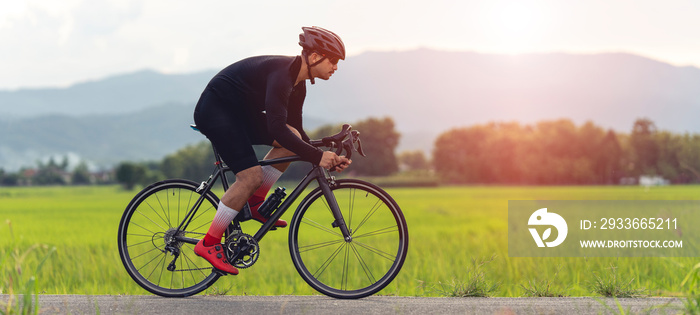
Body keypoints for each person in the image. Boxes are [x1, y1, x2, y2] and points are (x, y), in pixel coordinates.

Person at [192, 26, 352, 275]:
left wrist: (324, 152)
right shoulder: (281, 76)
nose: (335, 67)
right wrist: (318, 157)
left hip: (239, 114)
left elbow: (295, 131)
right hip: (216, 112)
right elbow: (277, 128)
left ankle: (255, 204)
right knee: (251, 176)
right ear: (313, 57)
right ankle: (209, 243)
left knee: (293, 139)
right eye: (332, 60)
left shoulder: (299, 84)